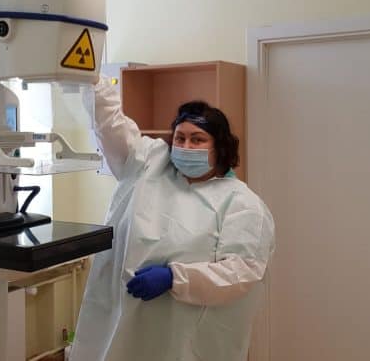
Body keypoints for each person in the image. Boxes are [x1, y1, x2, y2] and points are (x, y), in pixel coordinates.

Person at [69, 77, 275, 361]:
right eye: (180, 138)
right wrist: (93, 80)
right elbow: (110, 125)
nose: (186, 146)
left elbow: (241, 272)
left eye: (197, 139)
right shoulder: (148, 165)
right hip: (125, 322)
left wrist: (174, 278)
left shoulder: (242, 205)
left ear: (220, 147)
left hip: (187, 335)